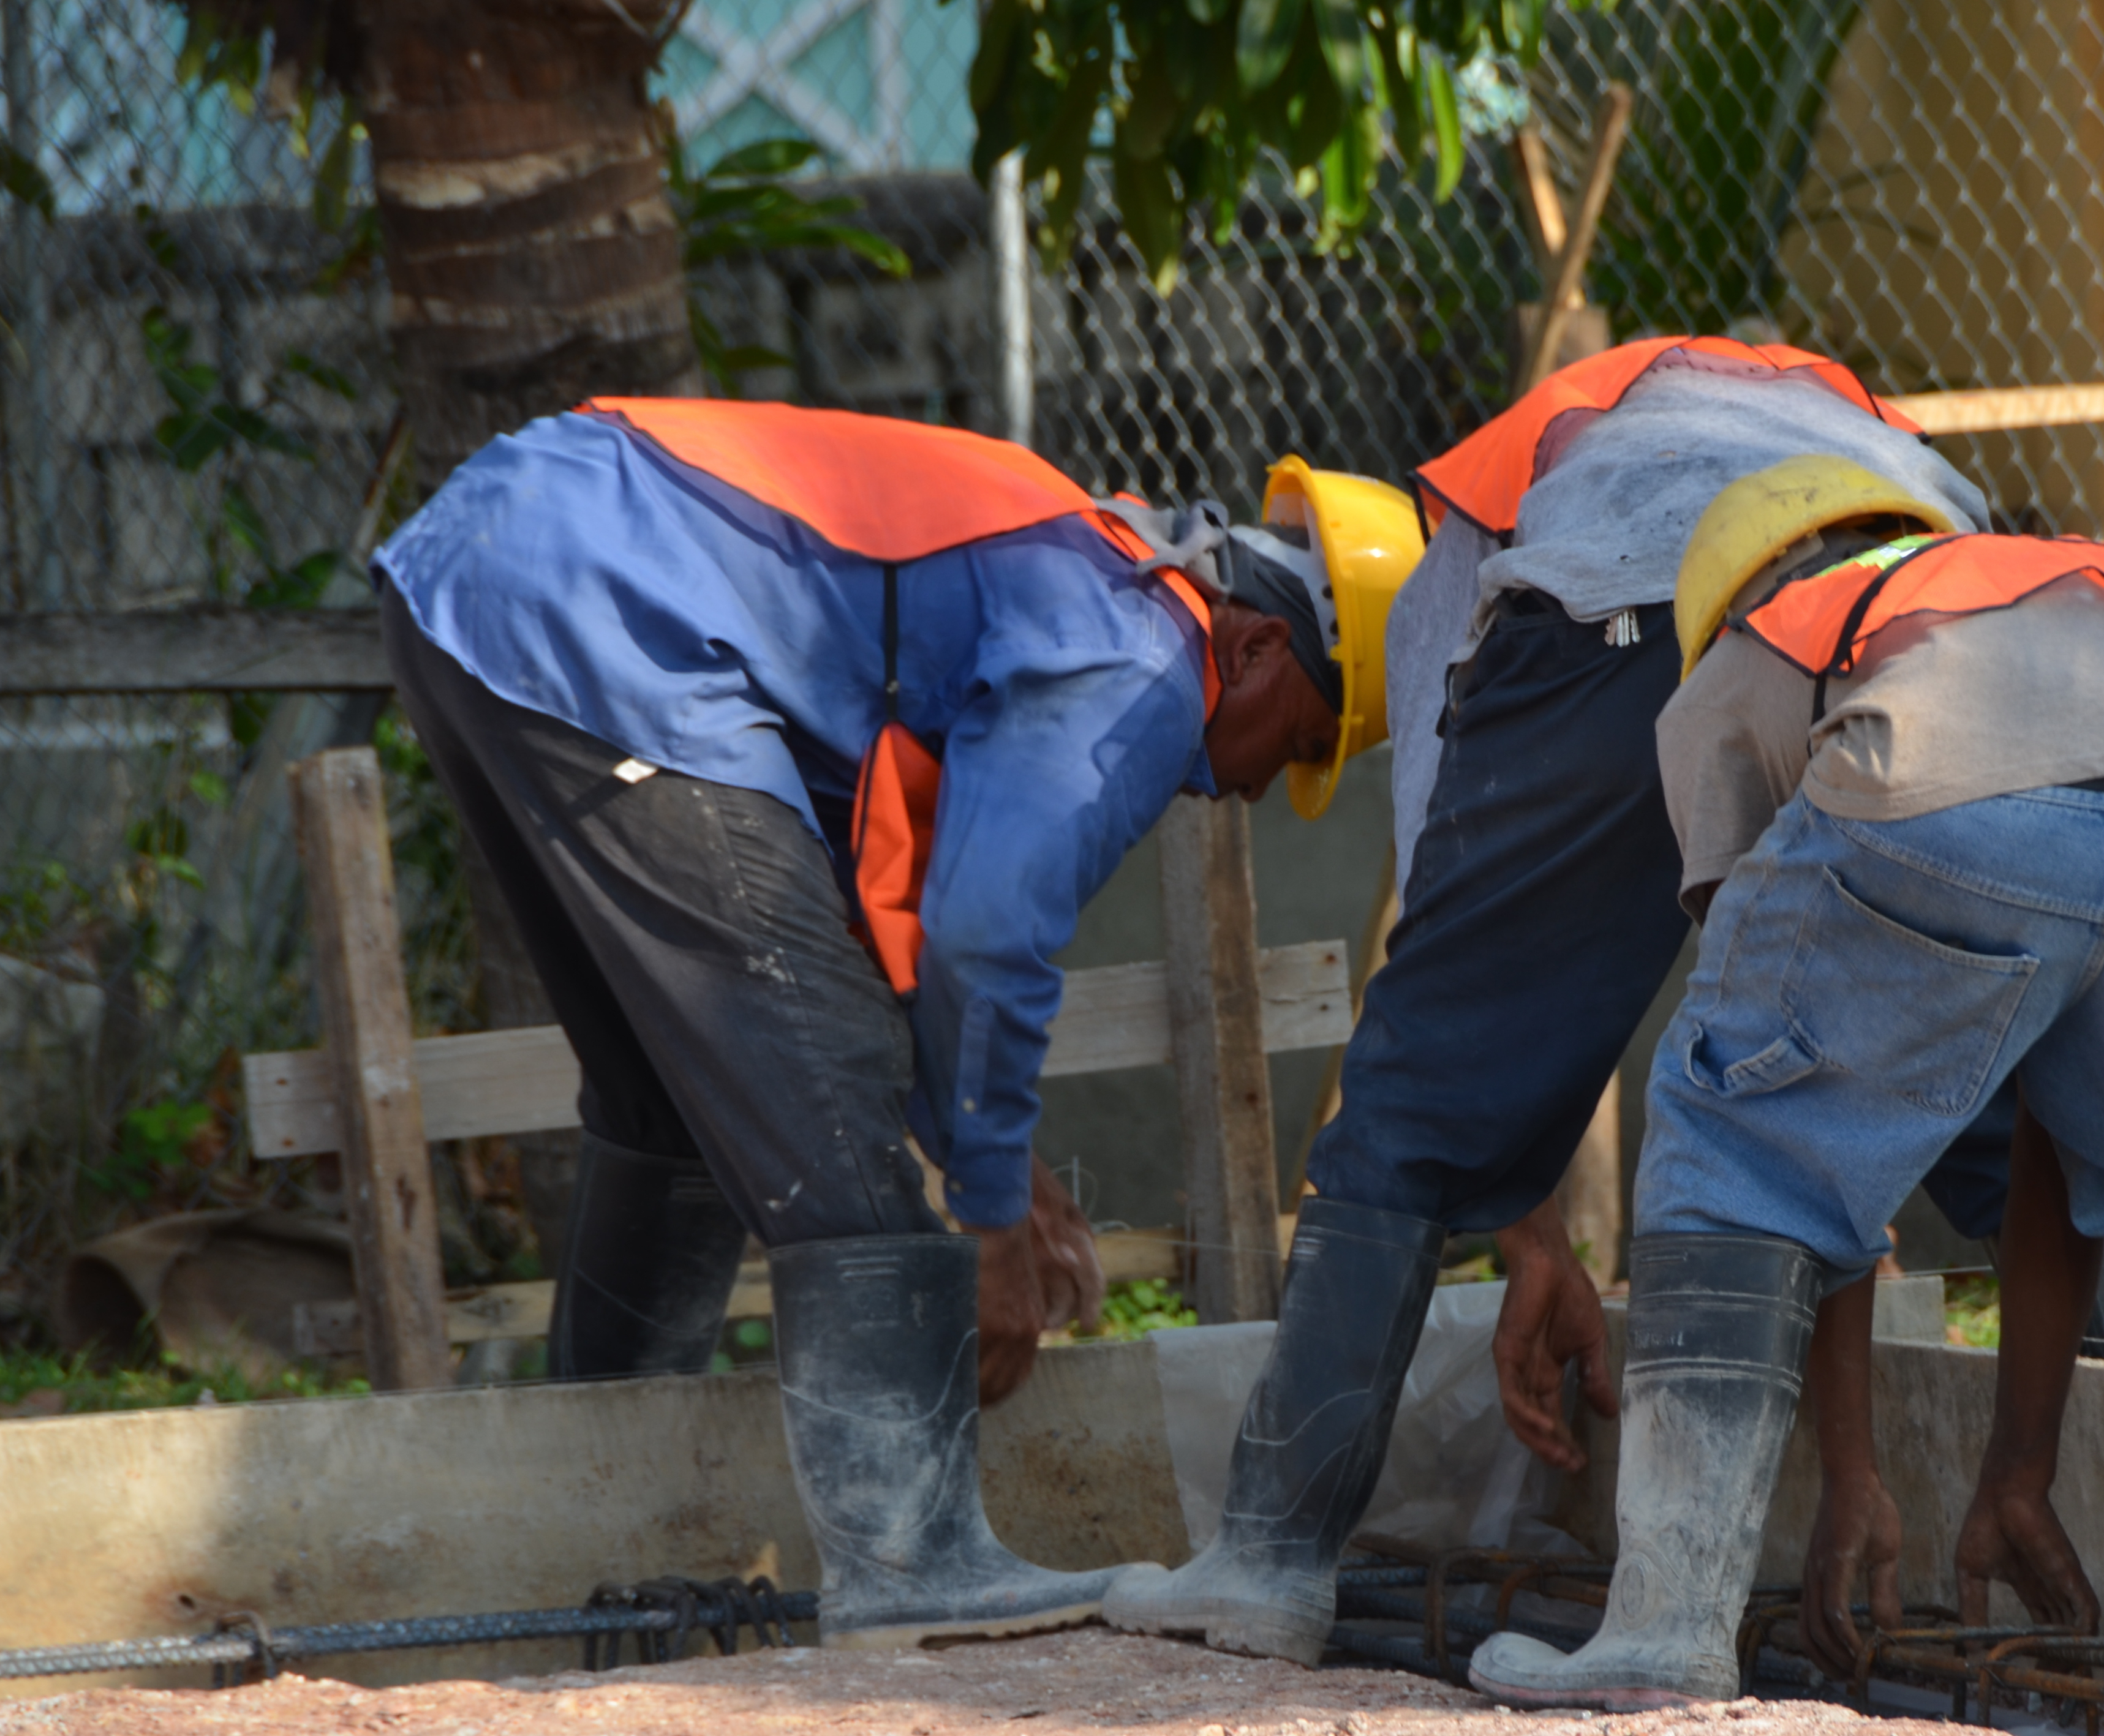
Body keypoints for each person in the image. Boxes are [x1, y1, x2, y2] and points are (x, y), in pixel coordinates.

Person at [370, 398, 1419, 1648]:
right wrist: (983, 1229)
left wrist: (1003, 1164)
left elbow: (895, 913)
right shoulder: (1140, 652)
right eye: (1297, 739)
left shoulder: (1078, 578)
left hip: (494, 567)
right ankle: (909, 1558)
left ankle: (603, 1506)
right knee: (835, 1111)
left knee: (679, 1099)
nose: (1245, 786)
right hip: (611, 606)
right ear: (1254, 648)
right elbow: (986, 934)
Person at [1465, 456, 2104, 1710]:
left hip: (1944, 785)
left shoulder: (1760, 641)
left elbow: (1794, 1114)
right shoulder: (2057, 579)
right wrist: (2015, 1465)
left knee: (1737, 1124)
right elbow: (2062, 1127)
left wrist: (1852, 1474)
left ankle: (1664, 1631)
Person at [1104, 336, 1997, 1667]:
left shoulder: (1452, 551)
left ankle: (1270, 1558)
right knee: (1977, 1078)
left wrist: (1508, 1207)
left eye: (1327, 735)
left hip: (1624, 626)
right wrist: (1536, 1245)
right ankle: (2094, 1488)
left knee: (1406, 1099)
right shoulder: (1814, 406)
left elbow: (1451, 937)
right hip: (1928, 622)